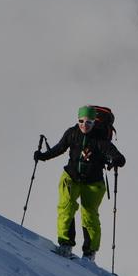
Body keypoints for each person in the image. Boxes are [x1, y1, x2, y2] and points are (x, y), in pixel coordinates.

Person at [34, 105, 126, 261]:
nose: (84, 125)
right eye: (81, 121)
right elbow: (59, 148)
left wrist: (116, 160)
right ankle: (65, 245)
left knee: (89, 216)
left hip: (93, 182)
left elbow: (119, 157)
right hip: (71, 177)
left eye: (89, 122)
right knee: (66, 208)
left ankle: (89, 253)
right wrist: (43, 156)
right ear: (77, 120)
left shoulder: (100, 140)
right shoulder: (72, 133)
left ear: (94, 122)